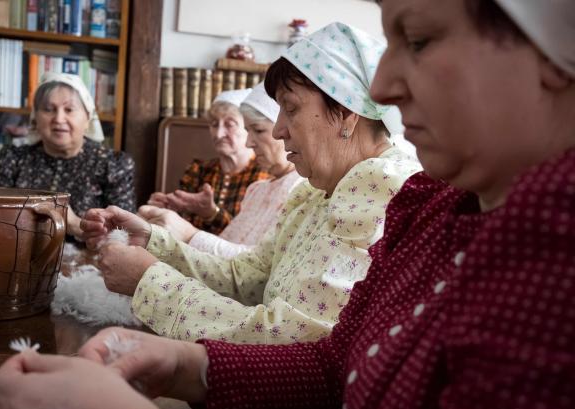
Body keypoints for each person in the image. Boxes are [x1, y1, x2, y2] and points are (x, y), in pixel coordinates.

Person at [0, 2, 575, 409]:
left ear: (553, 52)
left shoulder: (538, 263)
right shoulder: (429, 208)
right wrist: (191, 364)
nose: (386, 84)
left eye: (417, 39)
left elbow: (296, 330)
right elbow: (334, 358)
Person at [79, 24, 421, 344]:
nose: (277, 130)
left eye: (291, 109)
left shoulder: (383, 193)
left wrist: (150, 284)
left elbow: (297, 338)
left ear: (346, 112)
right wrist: (154, 242)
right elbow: (250, 276)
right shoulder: (319, 191)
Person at [138, 83, 304, 258]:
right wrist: (166, 218)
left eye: (259, 130)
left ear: (286, 131)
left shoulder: (300, 189)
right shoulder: (256, 190)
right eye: (213, 124)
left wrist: (189, 233)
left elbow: (256, 266)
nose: (219, 134)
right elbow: (225, 260)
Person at [0, 72, 136, 238]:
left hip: (92, 261)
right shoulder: (13, 159)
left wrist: (74, 224)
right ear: (35, 117)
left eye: (69, 109)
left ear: (88, 117)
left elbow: (125, 236)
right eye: (48, 109)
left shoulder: (112, 165)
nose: (59, 119)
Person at [148, 89, 270, 235]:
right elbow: (179, 226)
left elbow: (248, 238)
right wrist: (168, 208)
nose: (219, 134)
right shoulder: (198, 170)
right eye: (214, 124)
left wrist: (212, 213)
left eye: (229, 125)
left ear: (249, 128)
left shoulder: (264, 177)